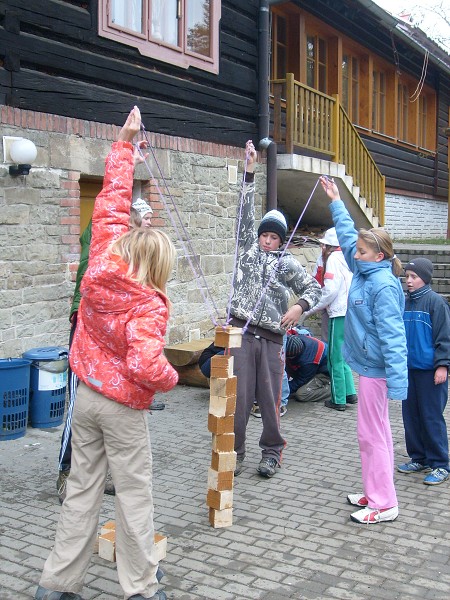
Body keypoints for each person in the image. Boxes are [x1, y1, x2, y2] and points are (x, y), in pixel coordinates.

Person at [35, 106, 177, 600]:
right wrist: (170, 379)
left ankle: (56, 583)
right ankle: (139, 586)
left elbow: (111, 205)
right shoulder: (148, 304)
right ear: (156, 264)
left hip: (86, 398)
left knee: (81, 490)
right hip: (121, 408)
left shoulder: (101, 258)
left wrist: (124, 144)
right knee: (135, 496)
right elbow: (144, 364)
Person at [56, 194, 160, 504]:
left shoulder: (136, 250)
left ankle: (107, 471)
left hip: (117, 332)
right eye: (142, 219)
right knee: (81, 402)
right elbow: (107, 207)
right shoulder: (100, 237)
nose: (147, 225)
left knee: (114, 401)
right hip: (87, 328)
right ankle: (66, 471)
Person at [229, 141, 321, 478]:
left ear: (282, 241)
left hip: (271, 339)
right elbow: (244, 212)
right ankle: (233, 452)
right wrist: (249, 171)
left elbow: (315, 288)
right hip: (239, 333)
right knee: (236, 400)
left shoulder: (288, 264)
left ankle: (271, 452)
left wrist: (299, 307)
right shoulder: (247, 251)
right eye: (264, 235)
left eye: (273, 237)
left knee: (269, 400)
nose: (267, 241)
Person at [320, 175, 407, 524]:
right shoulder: (365, 271)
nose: (353, 254)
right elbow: (345, 235)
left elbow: (394, 337)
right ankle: (375, 492)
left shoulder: (382, 286)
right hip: (369, 368)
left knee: (373, 436)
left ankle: (385, 504)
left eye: (360, 251)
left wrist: (398, 384)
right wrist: (336, 201)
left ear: (378, 255)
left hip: (377, 371)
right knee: (373, 434)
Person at [397, 257, 450, 485]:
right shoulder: (404, 302)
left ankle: (441, 464)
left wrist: (442, 365)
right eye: (407, 276)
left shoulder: (436, 303)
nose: (408, 281)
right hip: (408, 370)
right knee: (411, 417)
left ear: (425, 279)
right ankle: (418, 457)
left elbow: (444, 337)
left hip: (430, 372)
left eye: (414, 277)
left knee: (431, 418)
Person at [302, 227, 357, 411]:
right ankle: (350, 392)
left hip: (337, 313)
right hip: (348, 311)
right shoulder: (346, 257)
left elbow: (330, 290)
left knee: (334, 357)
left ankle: (338, 399)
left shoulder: (332, 259)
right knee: (344, 354)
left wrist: (310, 308)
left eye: (323, 245)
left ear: (328, 246)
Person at [284, 332, 330, 399]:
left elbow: (301, 381)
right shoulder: (294, 340)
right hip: (314, 366)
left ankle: (332, 389)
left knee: (302, 394)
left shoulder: (308, 362)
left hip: (325, 373)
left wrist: (283, 390)